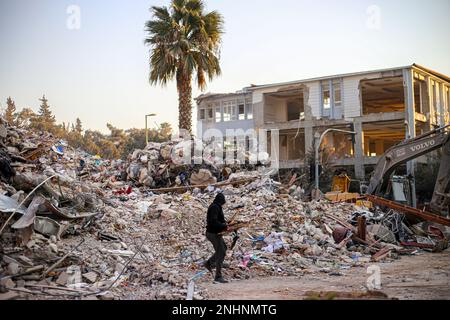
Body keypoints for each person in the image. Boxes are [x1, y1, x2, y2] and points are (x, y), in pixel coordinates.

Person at [204, 192, 229, 283]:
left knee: (224, 249)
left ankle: (209, 263)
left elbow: (219, 220)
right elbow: (213, 221)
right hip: (212, 233)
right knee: (221, 253)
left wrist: (225, 224)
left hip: (215, 233)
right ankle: (218, 276)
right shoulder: (215, 207)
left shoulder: (217, 206)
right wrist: (223, 226)